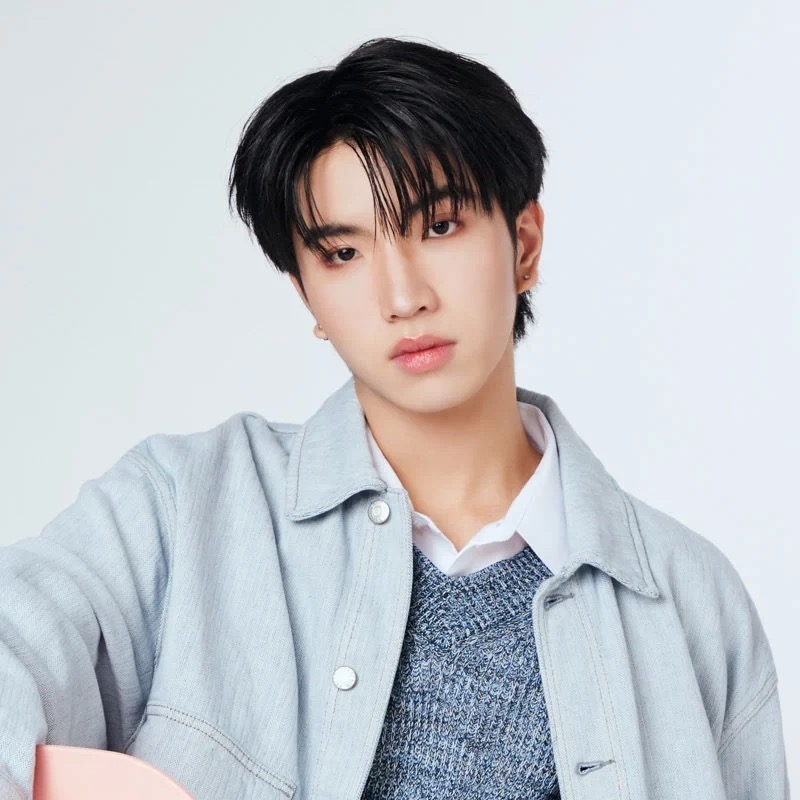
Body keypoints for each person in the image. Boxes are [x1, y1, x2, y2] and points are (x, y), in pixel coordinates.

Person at [0, 36, 789, 800]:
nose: (402, 296)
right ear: (307, 294)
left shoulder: (690, 601)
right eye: (342, 254)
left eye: (438, 227)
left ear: (523, 244)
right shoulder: (183, 508)